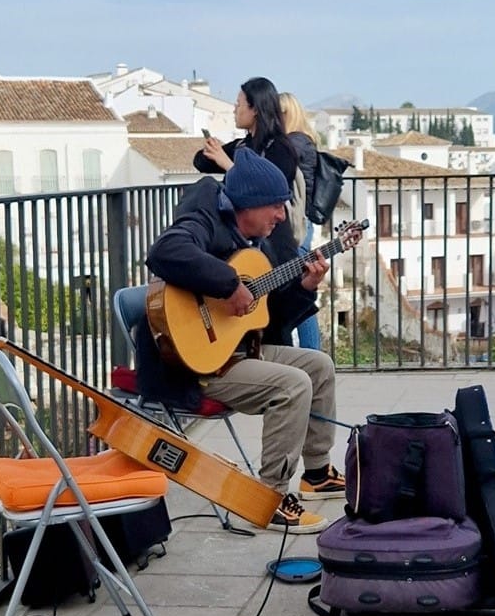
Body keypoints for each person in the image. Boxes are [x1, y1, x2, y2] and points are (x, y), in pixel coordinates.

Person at [135, 148, 346, 533]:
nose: (282, 216)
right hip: (194, 363)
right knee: (292, 385)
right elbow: (165, 251)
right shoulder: (202, 218)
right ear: (248, 204)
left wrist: (305, 287)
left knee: (319, 365)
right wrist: (230, 284)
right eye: (276, 207)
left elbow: (265, 316)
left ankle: (316, 473)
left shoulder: (254, 241)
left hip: (235, 350)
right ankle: (269, 499)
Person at [193, 76, 299, 265]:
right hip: (242, 241)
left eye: (239, 104)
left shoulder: (280, 148)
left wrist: (227, 163)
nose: (235, 109)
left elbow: (270, 190)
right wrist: (213, 149)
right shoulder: (242, 145)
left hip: (273, 240)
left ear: (255, 109)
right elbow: (201, 162)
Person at [279, 92, 322, 350]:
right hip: (300, 222)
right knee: (302, 287)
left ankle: (312, 353)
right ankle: (312, 353)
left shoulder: (294, 144)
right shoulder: (304, 142)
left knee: (302, 288)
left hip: (297, 223)